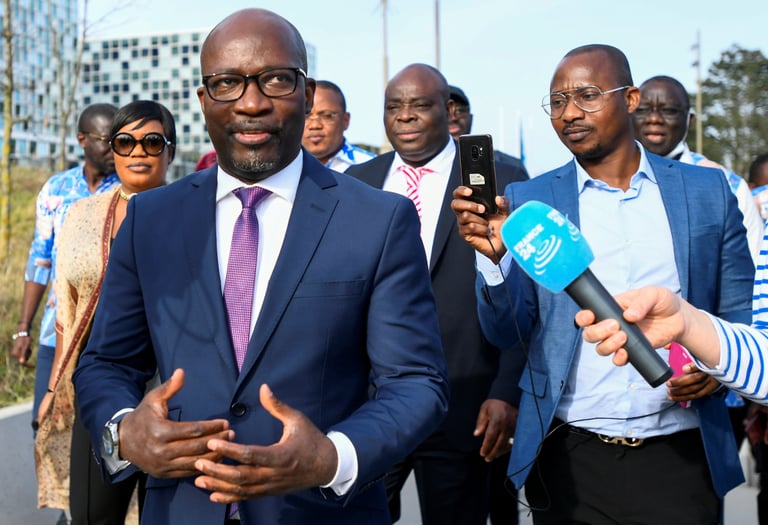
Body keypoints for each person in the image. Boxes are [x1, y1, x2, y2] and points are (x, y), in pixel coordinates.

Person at [72, 9, 448, 525]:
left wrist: (332, 456)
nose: (251, 103)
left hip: (321, 513)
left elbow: (416, 382)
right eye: (227, 83)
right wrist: (124, 431)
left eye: (275, 79)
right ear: (203, 100)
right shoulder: (149, 220)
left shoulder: (379, 220)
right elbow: (105, 363)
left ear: (308, 94)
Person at [451, 44, 754, 524]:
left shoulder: (706, 191)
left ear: (630, 99)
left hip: (682, 453)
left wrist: (715, 369)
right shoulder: (528, 199)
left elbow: (739, 313)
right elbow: (506, 332)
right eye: (557, 101)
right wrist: (494, 262)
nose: (570, 113)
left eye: (587, 96)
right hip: (569, 457)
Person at [347, 63, 528, 525]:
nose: (404, 116)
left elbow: (524, 292)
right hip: (372, 406)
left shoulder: (501, 176)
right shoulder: (358, 180)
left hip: (465, 402)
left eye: (419, 105)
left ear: (448, 110)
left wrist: (506, 390)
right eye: (394, 106)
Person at [35, 100, 176, 524]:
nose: (138, 152)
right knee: (93, 512)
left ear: (170, 150)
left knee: (162, 512)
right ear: (112, 149)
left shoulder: (195, 215)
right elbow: (67, 308)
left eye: (152, 142)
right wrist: (53, 388)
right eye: (125, 142)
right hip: (99, 385)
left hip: (174, 388)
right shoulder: (83, 214)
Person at [446, 82, 528, 525]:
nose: (452, 116)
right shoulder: (369, 177)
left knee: (497, 502)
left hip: (481, 381)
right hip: (383, 395)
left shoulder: (510, 175)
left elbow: (525, 293)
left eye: (458, 108)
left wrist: (506, 387)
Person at [10, 104, 119, 435]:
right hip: (54, 332)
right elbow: (39, 259)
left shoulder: (127, 192)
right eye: (107, 140)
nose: (115, 147)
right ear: (82, 139)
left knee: (100, 438)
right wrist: (23, 329)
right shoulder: (56, 190)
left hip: (107, 337)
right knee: (47, 430)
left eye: (120, 139)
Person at [633, 75, 764, 264]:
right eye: (643, 110)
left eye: (668, 111)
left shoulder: (728, 186)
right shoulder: (603, 180)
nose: (654, 119)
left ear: (690, 120)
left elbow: (751, 268)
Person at [448, 84, 528, 178]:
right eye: (445, 112)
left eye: (459, 111)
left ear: (471, 118)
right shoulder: (432, 166)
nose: (453, 118)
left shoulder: (512, 168)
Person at [302, 80, 375, 172]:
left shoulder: (373, 167)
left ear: (345, 120)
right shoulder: (285, 169)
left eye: (327, 116)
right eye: (305, 116)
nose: (315, 125)